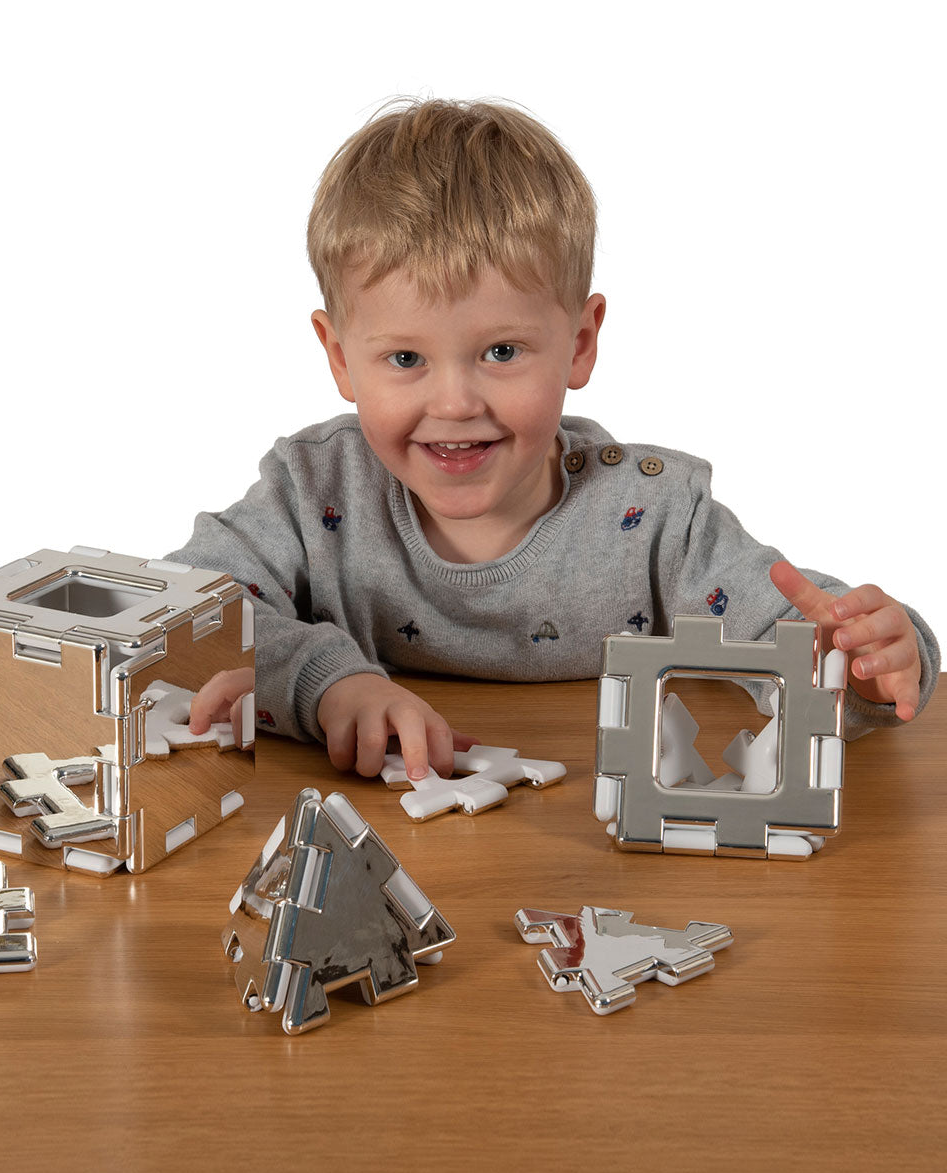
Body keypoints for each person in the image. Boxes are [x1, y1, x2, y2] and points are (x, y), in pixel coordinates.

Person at [172, 98, 939, 780]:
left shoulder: (655, 517)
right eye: (405, 359)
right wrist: (327, 681)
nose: (455, 402)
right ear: (340, 357)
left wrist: (863, 661)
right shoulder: (313, 491)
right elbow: (179, 615)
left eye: (501, 352)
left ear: (579, 343)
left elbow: (805, 639)